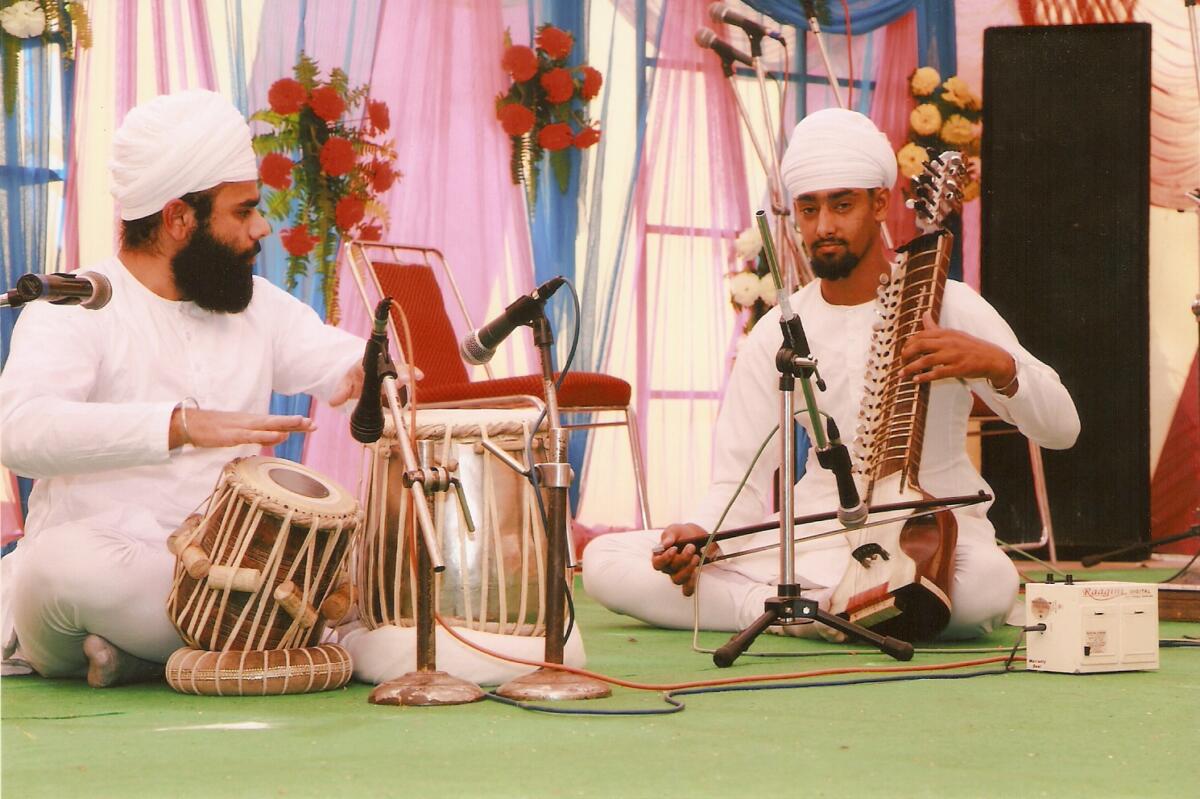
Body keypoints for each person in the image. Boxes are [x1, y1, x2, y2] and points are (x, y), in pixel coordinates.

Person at [583, 108, 1080, 641]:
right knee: (604, 560)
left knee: (987, 585)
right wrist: (705, 536)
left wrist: (997, 366)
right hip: (814, 541)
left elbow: (1062, 430)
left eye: (842, 205)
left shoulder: (950, 305)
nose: (824, 227)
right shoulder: (780, 329)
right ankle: (825, 610)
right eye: (809, 208)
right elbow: (739, 482)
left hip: (931, 540)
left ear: (880, 203)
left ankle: (794, 612)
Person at [0, 89, 371, 687]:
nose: (263, 226)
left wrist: (372, 371)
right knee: (58, 565)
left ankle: (150, 654)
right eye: (244, 210)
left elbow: (338, 358)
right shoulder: (78, 305)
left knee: (333, 562)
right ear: (178, 219)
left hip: (233, 578)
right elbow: (19, 432)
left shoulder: (253, 307)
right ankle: (306, 640)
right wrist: (176, 425)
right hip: (119, 574)